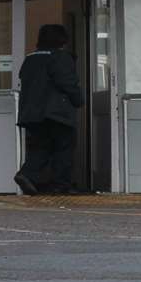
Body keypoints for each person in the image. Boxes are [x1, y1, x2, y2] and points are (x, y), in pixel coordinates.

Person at [14, 23, 84, 195]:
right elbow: (68, 83)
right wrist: (78, 100)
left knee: (40, 147)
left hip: (32, 113)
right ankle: (61, 185)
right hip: (57, 113)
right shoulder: (60, 57)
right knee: (63, 148)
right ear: (62, 40)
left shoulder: (30, 58)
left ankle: (27, 173)